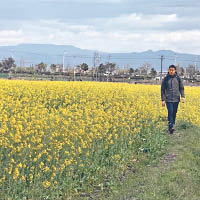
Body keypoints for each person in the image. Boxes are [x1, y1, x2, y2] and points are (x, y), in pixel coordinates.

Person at [161, 65, 185, 134]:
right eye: (170, 70)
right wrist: (163, 100)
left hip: (176, 99)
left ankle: (172, 125)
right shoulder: (165, 79)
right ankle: (170, 127)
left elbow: (181, 88)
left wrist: (182, 96)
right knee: (170, 112)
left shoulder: (178, 78)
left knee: (174, 112)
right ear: (168, 70)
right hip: (168, 99)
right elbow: (162, 90)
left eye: (172, 70)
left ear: (175, 71)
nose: (171, 71)